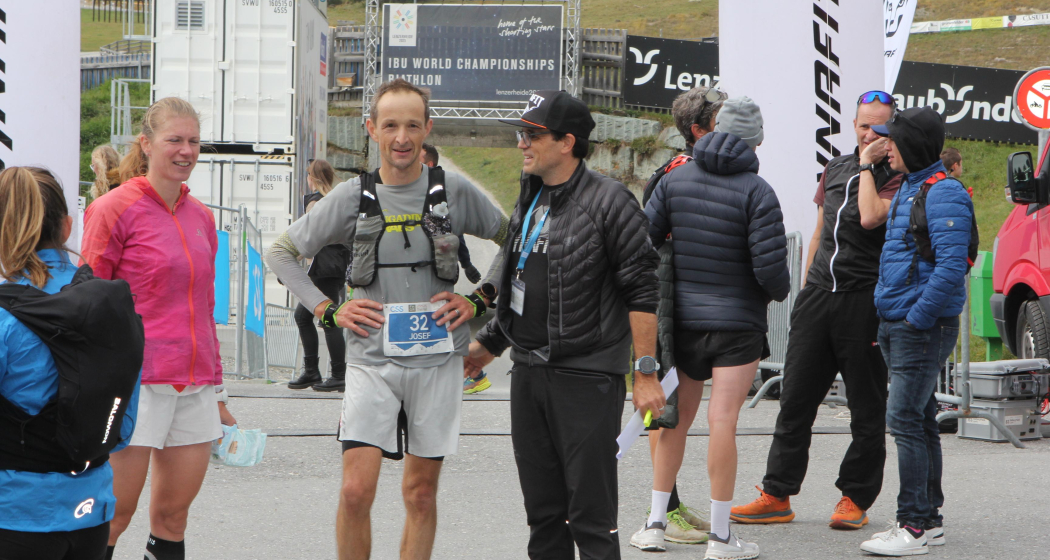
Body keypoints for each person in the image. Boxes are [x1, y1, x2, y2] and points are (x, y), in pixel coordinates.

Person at [266, 79, 508, 560]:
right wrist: (328, 310)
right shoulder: (352, 196)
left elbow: (513, 238)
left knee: (420, 493)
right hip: (371, 362)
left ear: (427, 129)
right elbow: (282, 252)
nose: (402, 137)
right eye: (391, 125)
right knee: (356, 491)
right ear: (372, 129)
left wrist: (480, 300)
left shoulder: (454, 190)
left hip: (437, 360)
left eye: (412, 125)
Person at [465, 89, 665, 560]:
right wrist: (489, 345)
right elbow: (521, 281)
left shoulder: (611, 202)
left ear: (567, 142)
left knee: (592, 519)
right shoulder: (531, 195)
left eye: (533, 134)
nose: (522, 143)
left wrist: (647, 372)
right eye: (521, 133)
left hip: (586, 377)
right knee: (544, 517)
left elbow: (643, 290)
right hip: (529, 372)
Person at [731, 91, 903, 531]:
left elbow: (869, 217)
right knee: (795, 399)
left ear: (893, 129)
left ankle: (854, 497)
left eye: (880, 127)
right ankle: (776, 493)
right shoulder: (835, 167)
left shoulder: (898, 175)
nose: (870, 134)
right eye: (864, 125)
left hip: (864, 298)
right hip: (819, 296)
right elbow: (820, 231)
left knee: (866, 405)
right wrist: (806, 288)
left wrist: (869, 163)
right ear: (854, 123)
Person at [81, 97, 237, 560]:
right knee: (115, 514)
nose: (186, 150)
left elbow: (205, 307)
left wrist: (220, 390)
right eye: (175, 140)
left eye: (193, 140)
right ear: (146, 144)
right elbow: (87, 301)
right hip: (135, 385)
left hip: (194, 385)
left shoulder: (202, 217)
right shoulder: (113, 209)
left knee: (173, 517)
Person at [642, 96, 789, 560]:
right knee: (722, 422)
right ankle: (722, 538)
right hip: (737, 325)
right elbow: (772, 275)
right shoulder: (758, 191)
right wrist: (772, 291)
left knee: (674, 422)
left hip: (682, 322)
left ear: (714, 128)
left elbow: (644, 241)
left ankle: (654, 525)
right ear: (757, 140)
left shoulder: (675, 178)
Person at [0, 166, 139, 560]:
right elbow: (123, 431)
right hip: (91, 513)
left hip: (15, 514)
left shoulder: (5, 315)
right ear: (67, 227)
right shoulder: (113, 307)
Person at [859, 107, 973, 556]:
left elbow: (950, 268)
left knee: (904, 419)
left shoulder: (944, 193)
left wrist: (915, 319)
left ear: (914, 145)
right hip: (900, 323)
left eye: (893, 139)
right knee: (920, 421)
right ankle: (928, 519)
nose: (886, 144)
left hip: (919, 326)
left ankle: (914, 527)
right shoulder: (909, 185)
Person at [632, 85, 728, 552]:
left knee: (673, 409)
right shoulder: (680, 171)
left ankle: (666, 504)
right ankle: (663, 510)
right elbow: (647, 243)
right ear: (699, 130)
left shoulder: (685, 165)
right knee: (665, 408)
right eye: (721, 118)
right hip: (669, 302)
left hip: (681, 299)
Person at [418, 144, 492, 395]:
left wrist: (467, 263)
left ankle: (474, 373)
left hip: (438, 271)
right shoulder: (414, 188)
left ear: (427, 163)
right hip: (420, 270)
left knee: (441, 320)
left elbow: (455, 232)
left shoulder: (442, 191)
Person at [289, 159, 351, 392]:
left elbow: (307, 237)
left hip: (323, 268)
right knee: (310, 317)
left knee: (326, 319)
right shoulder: (337, 200)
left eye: (308, 176)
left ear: (312, 178)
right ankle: (317, 372)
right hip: (335, 267)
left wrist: (290, 263)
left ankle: (335, 373)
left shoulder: (316, 203)